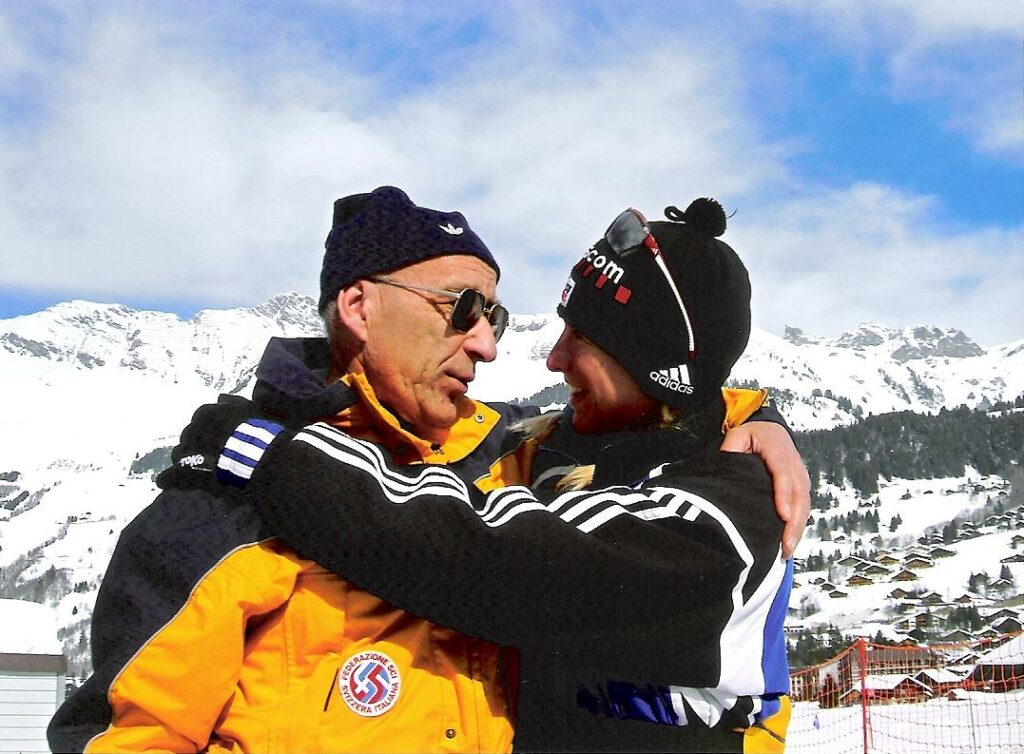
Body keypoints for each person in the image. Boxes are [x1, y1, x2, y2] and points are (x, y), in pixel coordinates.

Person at [48, 187, 805, 753]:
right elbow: (121, 733)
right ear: (358, 305)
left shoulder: (507, 464)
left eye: (496, 317)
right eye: (464, 307)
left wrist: (750, 418)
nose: (493, 346)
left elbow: (535, 554)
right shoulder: (220, 509)